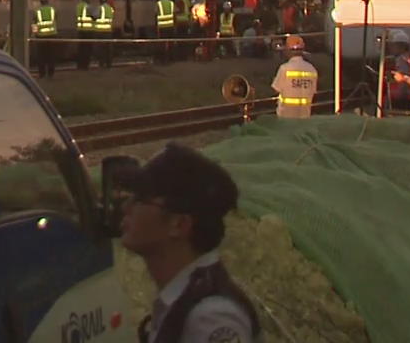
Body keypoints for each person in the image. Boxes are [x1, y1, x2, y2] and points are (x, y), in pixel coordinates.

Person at [120, 144, 259, 343]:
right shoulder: (185, 302)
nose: (126, 207)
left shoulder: (210, 317)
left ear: (179, 224)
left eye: (141, 199)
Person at [271, 34, 317, 118]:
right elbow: (313, 91)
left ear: (288, 50)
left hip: (286, 116)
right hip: (305, 116)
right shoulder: (312, 69)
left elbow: (275, 89)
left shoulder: (284, 68)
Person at [386, 30, 410, 113]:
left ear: (401, 46)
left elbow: (403, 79)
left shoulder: (401, 60)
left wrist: (399, 95)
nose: (391, 48)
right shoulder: (409, 58)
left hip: (400, 98)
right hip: (405, 96)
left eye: (393, 45)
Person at [31, 0, 57, 79]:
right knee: (51, 56)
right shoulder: (53, 10)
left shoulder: (37, 11)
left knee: (41, 56)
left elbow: (34, 23)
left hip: (41, 36)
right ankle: (51, 74)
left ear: (40, 1)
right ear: (47, 0)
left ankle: (42, 73)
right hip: (52, 35)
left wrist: (34, 34)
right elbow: (55, 20)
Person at [93, 0, 116, 69]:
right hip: (108, 32)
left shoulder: (100, 8)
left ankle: (101, 64)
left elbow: (95, 16)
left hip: (100, 32)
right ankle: (109, 64)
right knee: (108, 49)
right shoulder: (110, 9)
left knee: (101, 50)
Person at [76, 0, 95, 71]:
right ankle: (85, 66)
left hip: (80, 30)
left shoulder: (78, 6)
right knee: (87, 49)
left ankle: (80, 65)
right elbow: (94, 16)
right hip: (88, 31)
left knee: (81, 49)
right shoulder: (87, 7)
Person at [155, 0, 175, 65]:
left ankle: (163, 60)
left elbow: (156, 15)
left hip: (162, 27)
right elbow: (174, 14)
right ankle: (171, 59)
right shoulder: (171, 3)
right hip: (170, 26)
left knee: (162, 44)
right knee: (170, 43)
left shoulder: (158, 4)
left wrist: (156, 27)